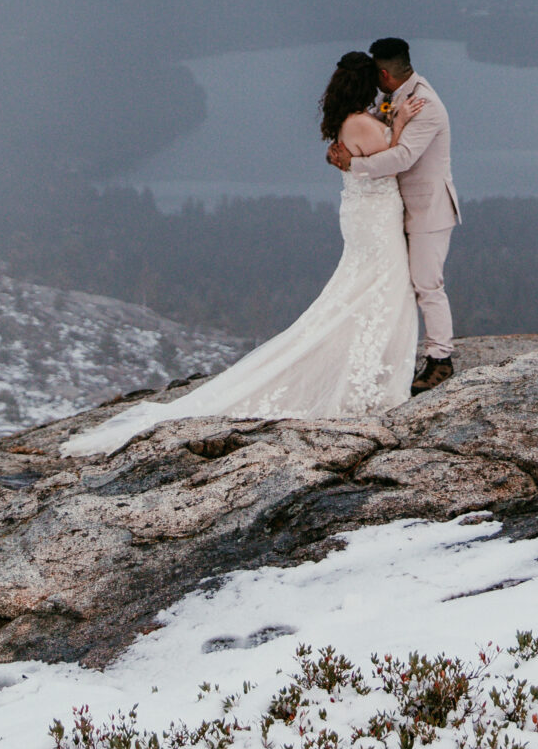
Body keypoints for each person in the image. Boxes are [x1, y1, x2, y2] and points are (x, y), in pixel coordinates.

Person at [61, 51, 421, 457]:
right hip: (374, 218)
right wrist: (401, 121)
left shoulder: (351, 120)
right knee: (382, 286)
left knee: (365, 288)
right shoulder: (361, 123)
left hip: (364, 216)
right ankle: (364, 376)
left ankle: (360, 364)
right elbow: (391, 162)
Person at [326, 36, 458, 393]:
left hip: (428, 208)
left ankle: (441, 360)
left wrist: (353, 163)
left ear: (384, 73)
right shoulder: (393, 98)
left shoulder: (424, 104)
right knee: (401, 284)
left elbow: (402, 158)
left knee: (428, 284)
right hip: (395, 209)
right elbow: (372, 129)